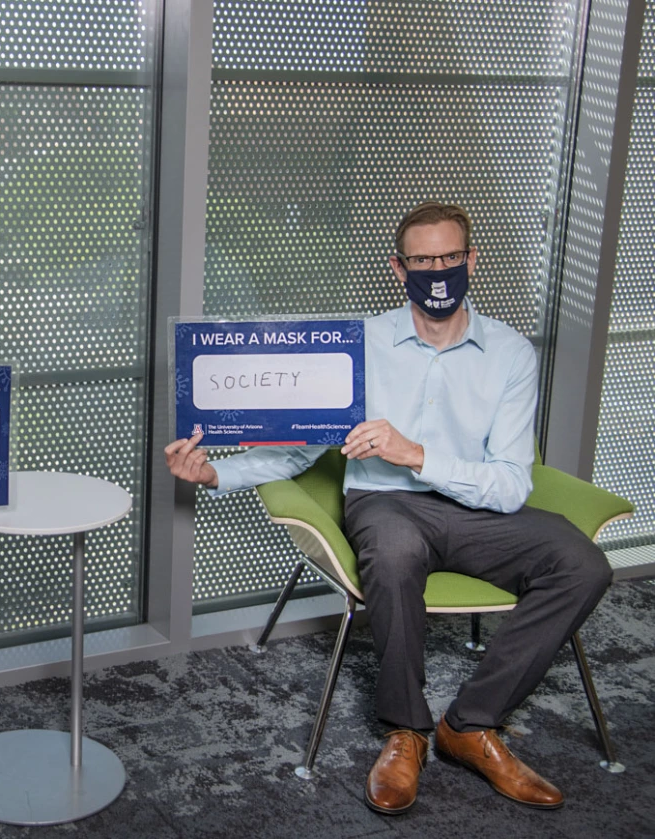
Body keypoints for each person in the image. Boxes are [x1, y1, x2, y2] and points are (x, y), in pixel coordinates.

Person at [165, 202, 612, 815]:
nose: (437, 271)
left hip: (476, 507)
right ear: (399, 269)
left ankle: (472, 724)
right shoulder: (359, 346)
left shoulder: (511, 355)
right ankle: (406, 731)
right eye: (423, 260)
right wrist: (214, 471)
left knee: (584, 564)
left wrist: (417, 454)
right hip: (385, 504)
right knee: (396, 551)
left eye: (449, 258)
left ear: (471, 260)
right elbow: (297, 452)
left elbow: (510, 486)